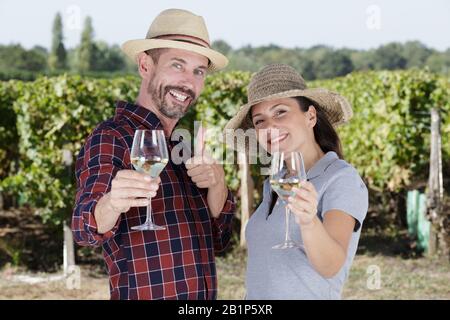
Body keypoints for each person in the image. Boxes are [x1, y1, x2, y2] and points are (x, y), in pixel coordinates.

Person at [72, 8, 235, 300]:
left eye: (199, 71)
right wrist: (113, 202)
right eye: (177, 65)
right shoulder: (112, 137)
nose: (188, 81)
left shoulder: (184, 147)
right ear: (145, 65)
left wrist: (218, 184)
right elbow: (85, 228)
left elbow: (218, 240)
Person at [224, 64, 368, 299]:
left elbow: (331, 266)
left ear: (310, 116)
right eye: (259, 121)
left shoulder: (341, 179)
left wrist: (309, 221)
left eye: (280, 112)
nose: (270, 126)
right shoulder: (275, 184)